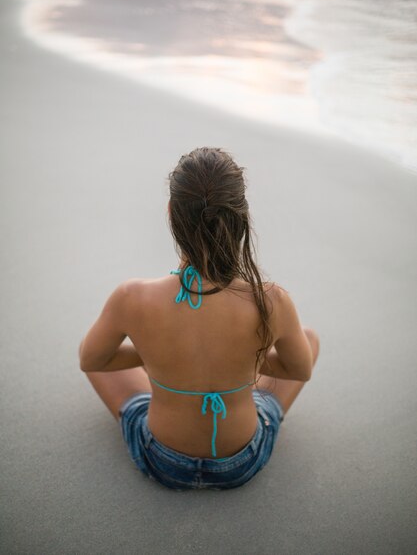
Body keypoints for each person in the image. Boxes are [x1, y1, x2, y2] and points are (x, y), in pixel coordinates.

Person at [79, 147, 320, 490]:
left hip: (163, 459)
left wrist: (153, 356)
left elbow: (91, 359)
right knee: (307, 340)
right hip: (242, 460)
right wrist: (244, 365)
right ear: (241, 218)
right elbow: (300, 369)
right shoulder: (272, 300)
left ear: (171, 212)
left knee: (104, 366)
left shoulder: (132, 297)